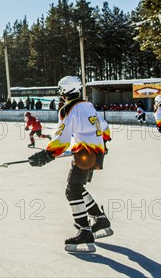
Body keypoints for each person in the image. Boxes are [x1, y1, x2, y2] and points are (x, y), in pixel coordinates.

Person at [28, 76, 112, 253]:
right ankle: (99, 218)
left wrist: (47, 154)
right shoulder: (88, 106)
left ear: (64, 91)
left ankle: (85, 231)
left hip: (84, 153)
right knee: (78, 187)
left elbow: (62, 138)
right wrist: (103, 144)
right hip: (97, 152)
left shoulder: (68, 108)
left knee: (71, 190)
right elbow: (104, 127)